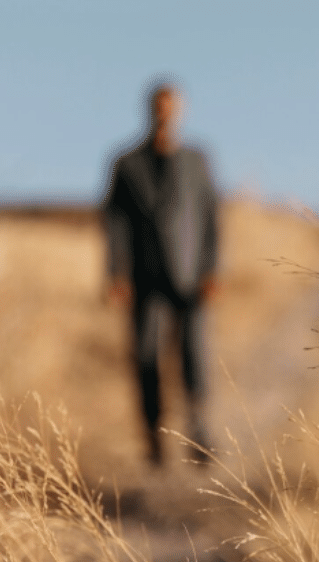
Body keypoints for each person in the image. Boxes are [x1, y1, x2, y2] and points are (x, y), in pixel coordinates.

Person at [102, 81, 220, 466]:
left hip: (189, 278)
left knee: (194, 356)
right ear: (149, 110)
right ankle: (154, 439)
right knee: (147, 358)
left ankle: (199, 434)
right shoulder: (126, 164)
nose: (165, 114)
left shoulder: (197, 160)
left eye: (172, 107)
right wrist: (116, 274)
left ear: (180, 111)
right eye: (159, 107)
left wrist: (211, 268)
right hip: (144, 278)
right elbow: (114, 223)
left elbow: (211, 217)